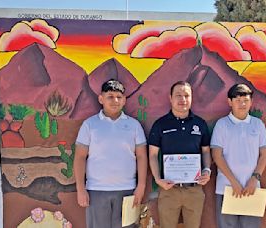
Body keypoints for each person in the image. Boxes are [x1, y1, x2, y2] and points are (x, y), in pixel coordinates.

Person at [74, 79, 147, 228]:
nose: (115, 100)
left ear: (124, 100)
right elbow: (80, 157)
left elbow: (141, 156)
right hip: (96, 191)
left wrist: (141, 186)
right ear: (101, 99)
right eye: (110, 96)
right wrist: (80, 189)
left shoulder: (134, 125)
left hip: (127, 191)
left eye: (119, 97)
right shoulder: (90, 125)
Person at [148, 81, 212, 228]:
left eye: (186, 95)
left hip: (194, 189)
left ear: (191, 98)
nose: (182, 99)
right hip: (169, 189)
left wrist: (207, 170)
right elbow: (152, 155)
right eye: (178, 95)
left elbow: (206, 151)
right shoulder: (160, 124)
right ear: (170, 98)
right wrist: (158, 179)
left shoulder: (200, 124)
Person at [211, 83, 266, 228]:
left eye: (246, 100)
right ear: (229, 102)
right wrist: (234, 182)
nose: (242, 104)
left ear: (251, 102)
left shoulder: (258, 125)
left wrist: (254, 180)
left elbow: (264, 155)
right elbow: (217, 156)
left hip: (252, 189)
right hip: (227, 189)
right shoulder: (222, 124)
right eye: (237, 100)